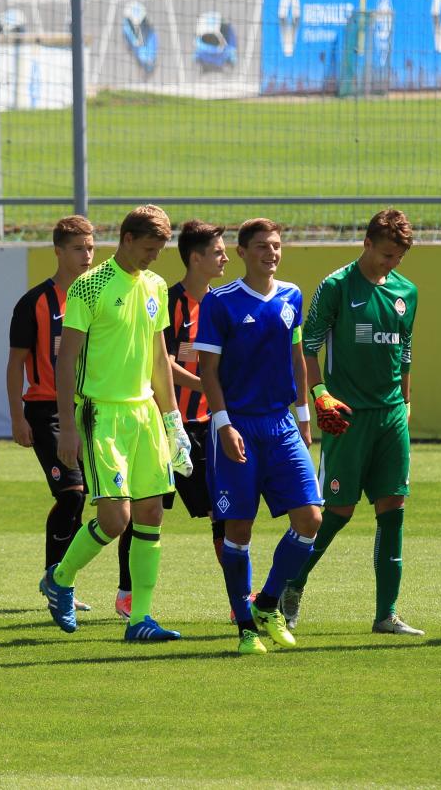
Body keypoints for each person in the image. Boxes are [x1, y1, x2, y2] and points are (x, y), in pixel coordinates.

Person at [38, 204, 194, 642]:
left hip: (144, 414)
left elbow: (159, 359)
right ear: (127, 239)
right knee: (114, 519)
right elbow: (65, 360)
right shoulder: (90, 286)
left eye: (159, 250)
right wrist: (67, 426)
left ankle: (140, 619)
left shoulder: (156, 286)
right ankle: (61, 578)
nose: (153, 257)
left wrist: (173, 421)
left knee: (151, 514)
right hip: (100, 413)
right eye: (148, 248)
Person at [281, 208, 423, 636]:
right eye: (386, 255)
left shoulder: (406, 291)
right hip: (346, 417)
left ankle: (386, 614)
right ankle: (291, 584)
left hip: (391, 415)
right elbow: (307, 346)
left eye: (399, 257)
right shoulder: (337, 286)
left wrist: (406, 403)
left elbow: (405, 351)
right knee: (337, 511)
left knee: (393, 509)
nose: (391, 263)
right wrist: (320, 395)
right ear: (367, 243)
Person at [195, 218, 322, 655]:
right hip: (237, 426)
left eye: (277, 245)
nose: (272, 253)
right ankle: (245, 628)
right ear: (243, 252)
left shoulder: (292, 295)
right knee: (239, 528)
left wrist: (304, 418)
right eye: (263, 246)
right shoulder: (220, 302)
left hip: (281, 424)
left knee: (310, 519)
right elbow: (208, 370)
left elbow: (297, 357)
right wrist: (223, 423)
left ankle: (267, 603)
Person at [6, 215, 132, 617]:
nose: (87, 255)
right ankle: (56, 579)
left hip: (91, 409)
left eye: (91, 248)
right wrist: (17, 417)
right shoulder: (34, 303)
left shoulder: (99, 295)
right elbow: (16, 363)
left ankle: (64, 579)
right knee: (72, 494)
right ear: (58, 251)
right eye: (78, 248)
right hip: (47, 411)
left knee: (109, 501)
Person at [163, 219, 229, 563]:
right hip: (167, 427)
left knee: (223, 509)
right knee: (144, 512)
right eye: (218, 252)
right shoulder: (170, 303)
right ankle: (127, 589)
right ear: (195, 258)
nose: (226, 258)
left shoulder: (223, 304)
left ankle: (237, 590)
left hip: (208, 427)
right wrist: (208, 386)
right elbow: (162, 364)